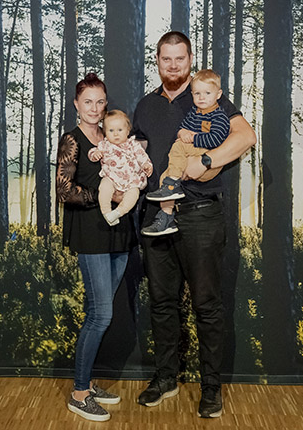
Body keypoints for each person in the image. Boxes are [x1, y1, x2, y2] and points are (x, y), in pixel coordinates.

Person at [132, 32, 256, 418]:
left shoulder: (205, 95)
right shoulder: (145, 105)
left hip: (201, 214)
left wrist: (205, 161)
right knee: (161, 302)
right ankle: (166, 377)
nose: (173, 65)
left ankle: (211, 387)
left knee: (206, 304)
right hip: (156, 214)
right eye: (166, 59)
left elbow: (246, 136)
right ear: (157, 61)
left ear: (190, 59)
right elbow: (137, 151)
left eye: (180, 58)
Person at [56, 73, 137, 422]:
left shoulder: (112, 136)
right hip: (90, 234)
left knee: (98, 311)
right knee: (101, 314)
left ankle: (86, 383)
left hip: (118, 233)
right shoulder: (71, 140)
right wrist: (110, 196)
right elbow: (64, 190)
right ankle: (79, 393)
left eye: (100, 101)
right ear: (77, 104)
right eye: (87, 101)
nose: (94, 108)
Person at [142, 69, 230, 236]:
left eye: (207, 93)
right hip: (191, 156)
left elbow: (216, 140)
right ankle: (166, 217)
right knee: (164, 176)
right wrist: (182, 133)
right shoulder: (194, 112)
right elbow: (184, 128)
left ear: (218, 94)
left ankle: (172, 184)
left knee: (179, 147)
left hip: (209, 159)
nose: (202, 97)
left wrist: (193, 137)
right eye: (197, 93)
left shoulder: (219, 117)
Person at [88, 109, 153, 226]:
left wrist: (146, 165)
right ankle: (106, 212)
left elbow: (142, 156)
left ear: (127, 131)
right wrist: (95, 154)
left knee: (133, 194)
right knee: (104, 188)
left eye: (120, 130)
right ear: (105, 132)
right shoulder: (105, 145)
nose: (116, 134)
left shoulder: (133, 145)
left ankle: (118, 212)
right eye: (111, 130)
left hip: (131, 180)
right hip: (111, 178)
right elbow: (92, 152)